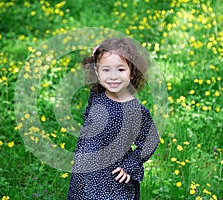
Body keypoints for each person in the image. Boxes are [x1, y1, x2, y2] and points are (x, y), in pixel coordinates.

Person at [66, 38, 160, 200]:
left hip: (111, 179)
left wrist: (130, 166)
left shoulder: (134, 110)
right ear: (97, 72)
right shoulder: (97, 94)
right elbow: (88, 114)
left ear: (132, 72)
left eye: (121, 70)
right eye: (106, 70)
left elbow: (151, 140)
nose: (113, 76)